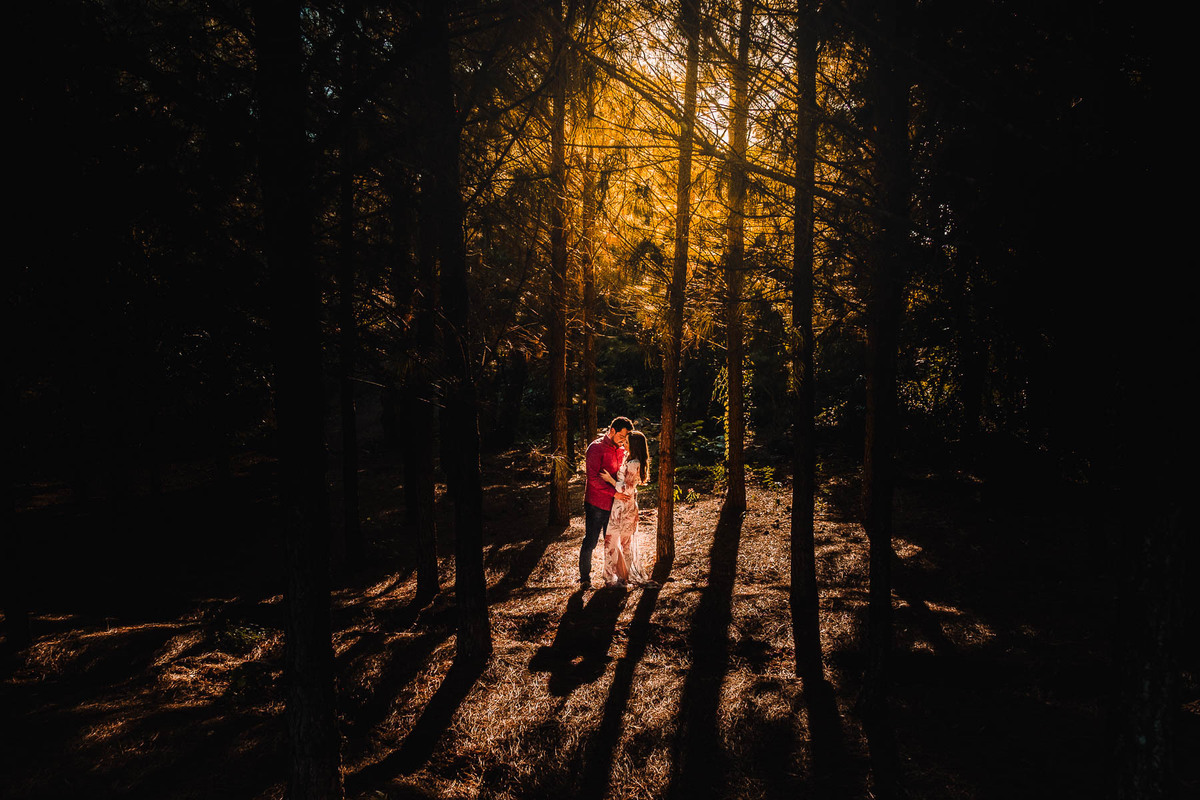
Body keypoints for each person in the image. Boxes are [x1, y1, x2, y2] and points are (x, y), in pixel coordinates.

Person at [580, 417, 633, 588]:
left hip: (614, 506)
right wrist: (614, 493)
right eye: (621, 436)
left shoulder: (622, 450)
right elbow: (593, 478)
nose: (623, 441)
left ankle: (614, 577)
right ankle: (585, 578)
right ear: (612, 431)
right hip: (596, 504)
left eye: (625, 438)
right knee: (591, 541)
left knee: (612, 542)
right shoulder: (595, 448)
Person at [601, 430, 652, 588]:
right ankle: (616, 577)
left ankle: (618, 578)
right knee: (616, 542)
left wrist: (610, 480)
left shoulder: (633, 463)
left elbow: (627, 488)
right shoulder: (629, 460)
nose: (624, 444)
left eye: (627, 442)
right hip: (621, 506)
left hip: (624, 508)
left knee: (618, 543)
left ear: (635, 446)